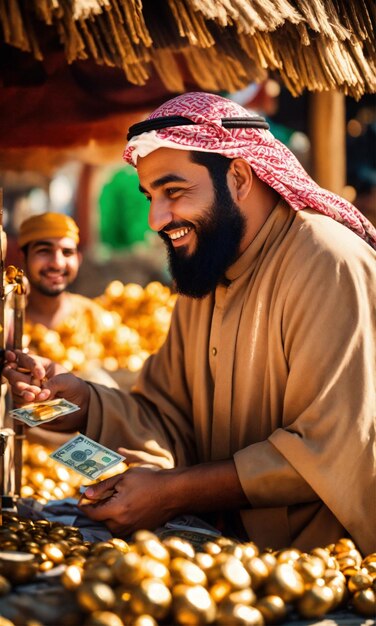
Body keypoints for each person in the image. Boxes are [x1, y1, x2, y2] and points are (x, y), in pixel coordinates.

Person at [4, 93, 376, 555]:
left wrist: (174, 493)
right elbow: (170, 422)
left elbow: (326, 450)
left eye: (174, 192)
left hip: (325, 567)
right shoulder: (204, 271)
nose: (156, 218)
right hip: (223, 558)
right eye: (151, 196)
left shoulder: (326, 261)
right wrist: (80, 401)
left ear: (239, 177)